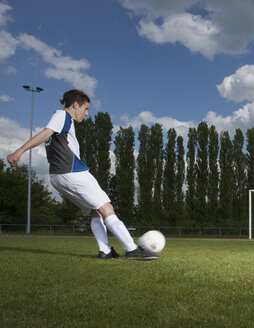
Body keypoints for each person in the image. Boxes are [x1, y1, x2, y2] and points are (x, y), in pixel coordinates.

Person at [7, 89, 157, 260]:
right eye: (85, 109)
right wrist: (19, 151)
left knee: (97, 211)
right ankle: (131, 249)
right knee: (107, 208)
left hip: (57, 176)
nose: (86, 114)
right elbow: (45, 134)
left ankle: (105, 251)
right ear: (75, 105)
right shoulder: (62, 116)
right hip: (72, 172)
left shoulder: (63, 121)